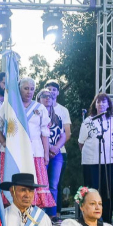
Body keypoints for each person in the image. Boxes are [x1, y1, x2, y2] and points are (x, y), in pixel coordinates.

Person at [78, 93, 113, 223]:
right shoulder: (88, 121)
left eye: (104, 102)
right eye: (98, 102)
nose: (101, 104)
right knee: (91, 190)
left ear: (108, 105)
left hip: (108, 161)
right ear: (95, 105)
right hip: (91, 161)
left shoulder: (112, 121)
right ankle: (89, 219)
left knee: (107, 190)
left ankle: (107, 220)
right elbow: (81, 142)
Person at [19, 79, 55, 210]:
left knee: (37, 182)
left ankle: (36, 215)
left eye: (32, 89)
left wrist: (46, 154)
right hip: (18, 151)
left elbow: (44, 133)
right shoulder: (13, 105)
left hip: (36, 150)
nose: (29, 92)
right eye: (26, 88)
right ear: (20, 89)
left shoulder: (40, 108)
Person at [38, 88, 65, 218]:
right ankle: (41, 215)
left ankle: (52, 215)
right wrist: (48, 149)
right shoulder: (35, 115)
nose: (48, 98)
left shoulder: (57, 117)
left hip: (56, 154)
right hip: (40, 153)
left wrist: (56, 148)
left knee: (54, 185)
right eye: (44, 96)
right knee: (42, 184)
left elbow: (63, 135)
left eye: (50, 96)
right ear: (39, 99)